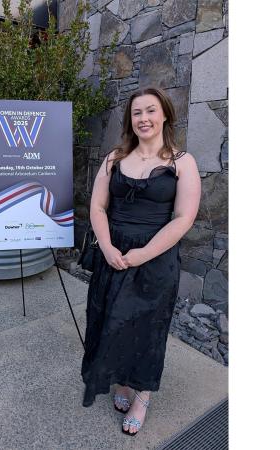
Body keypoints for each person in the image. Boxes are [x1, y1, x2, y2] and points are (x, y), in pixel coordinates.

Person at [79, 86, 202, 436]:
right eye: (137, 113)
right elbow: (98, 206)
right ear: (130, 120)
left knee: (147, 327)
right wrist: (105, 245)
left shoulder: (183, 163)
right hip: (113, 254)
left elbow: (183, 218)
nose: (144, 118)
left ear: (164, 114)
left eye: (150, 111)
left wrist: (143, 254)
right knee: (108, 319)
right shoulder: (114, 158)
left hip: (154, 259)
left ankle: (142, 396)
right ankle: (120, 381)